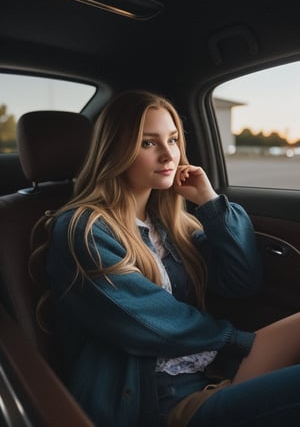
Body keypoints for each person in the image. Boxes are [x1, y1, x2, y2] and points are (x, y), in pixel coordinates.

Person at [32, 89, 300, 427]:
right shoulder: (82, 230)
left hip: (208, 371)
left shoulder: (169, 226)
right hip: (160, 401)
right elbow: (147, 323)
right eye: (148, 143)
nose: (167, 154)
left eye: (172, 140)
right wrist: (236, 342)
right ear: (117, 150)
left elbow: (241, 281)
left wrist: (209, 202)